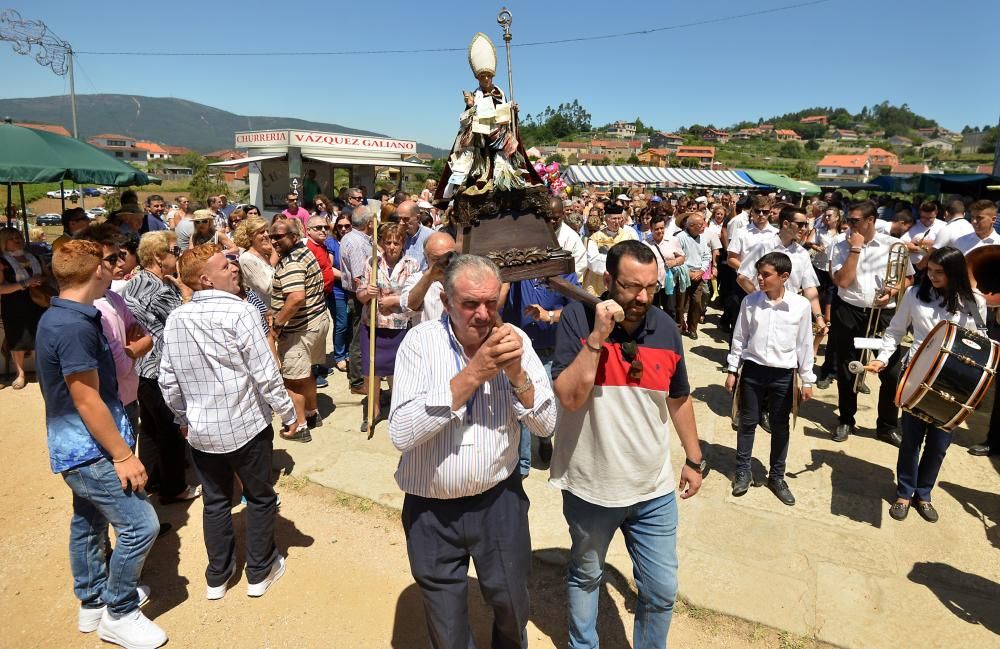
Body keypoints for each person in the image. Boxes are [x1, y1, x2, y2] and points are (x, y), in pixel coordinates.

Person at [388, 254, 557, 649]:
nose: (483, 314)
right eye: (470, 304)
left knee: (513, 606)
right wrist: (474, 373)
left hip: (499, 504)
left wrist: (518, 376)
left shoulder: (517, 340)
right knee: (447, 630)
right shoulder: (419, 344)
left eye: (491, 303)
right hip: (430, 511)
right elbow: (401, 432)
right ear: (446, 302)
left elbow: (546, 426)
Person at [550, 240, 704, 648]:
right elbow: (568, 396)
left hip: (652, 489)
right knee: (586, 576)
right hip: (591, 485)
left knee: (661, 590)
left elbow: (678, 396)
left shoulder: (666, 328)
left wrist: (694, 458)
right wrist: (597, 337)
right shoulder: (576, 319)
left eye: (651, 287)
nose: (642, 298)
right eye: (631, 287)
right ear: (607, 280)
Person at [36, 239, 166, 649]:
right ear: (96, 271)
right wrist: (124, 455)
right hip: (89, 449)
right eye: (109, 261)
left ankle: (92, 599)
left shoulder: (67, 315)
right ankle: (119, 611)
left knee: (88, 519)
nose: (116, 266)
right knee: (141, 524)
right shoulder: (73, 325)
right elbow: (86, 398)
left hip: (82, 445)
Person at [160, 243, 296, 599]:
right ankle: (260, 570)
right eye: (225, 266)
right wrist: (289, 412)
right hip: (246, 426)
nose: (234, 268)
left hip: (202, 431)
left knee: (216, 501)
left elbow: (168, 380)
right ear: (205, 279)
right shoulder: (241, 313)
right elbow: (265, 371)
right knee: (260, 497)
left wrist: (183, 417)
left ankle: (217, 576)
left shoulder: (177, 318)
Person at [864, 247, 987, 521]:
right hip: (916, 375)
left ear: (954, 272)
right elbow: (895, 330)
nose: (931, 276)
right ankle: (904, 492)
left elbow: (980, 341)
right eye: (929, 271)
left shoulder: (973, 301)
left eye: (938, 272)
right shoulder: (913, 294)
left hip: (955, 382)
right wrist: (883, 359)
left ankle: (924, 493)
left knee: (940, 443)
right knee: (911, 439)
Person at [726, 252, 815, 505]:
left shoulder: (800, 306)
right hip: (753, 371)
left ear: (784, 277)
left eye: (766, 274)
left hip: (783, 375)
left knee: (780, 426)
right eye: (759, 273)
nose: (760, 279)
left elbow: (805, 345)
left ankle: (777, 476)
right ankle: (743, 470)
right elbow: (740, 338)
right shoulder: (750, 302)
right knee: (747, 422)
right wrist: (733, 369)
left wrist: (807, 380)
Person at [120, 231, 202, 504]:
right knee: (170, 429)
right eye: (173, 251)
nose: (177, 255)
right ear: (158, 256)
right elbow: (186, 320)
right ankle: (174, 487)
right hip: (159, 368)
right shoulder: (158, 289)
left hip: (141, 368)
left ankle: (154, 479)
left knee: (152, 428)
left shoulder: (136, 282)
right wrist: (186, 293)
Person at [829, 201, 913, 445]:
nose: (849, 224)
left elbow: (908, 278)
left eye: (855, 220)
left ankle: (886, 425)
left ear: (871, 221)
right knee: (848, 367)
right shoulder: (840, 244)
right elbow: (843, 282)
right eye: (848, 219)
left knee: (891, 370)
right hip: (850, 311)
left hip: (884, 315)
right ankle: (846, 419)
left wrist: (893, 290)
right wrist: (855, 249)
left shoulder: (893, 246)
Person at [502, 271, 578, 474]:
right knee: (524, 404)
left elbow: (576, 310)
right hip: (521, 353)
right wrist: (506, 280)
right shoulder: (513, 270)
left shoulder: (563, 271)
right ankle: (522, 466)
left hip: (552, 351)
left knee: (547, 403)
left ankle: (545, 437)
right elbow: (497, 305)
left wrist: (550, 315)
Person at [83, 224, 153, 436]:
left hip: (129, 396)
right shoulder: (93, 308)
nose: (121, 264)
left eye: (120, 257)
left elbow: (145, 336)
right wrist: (133, 350)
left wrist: (131, 349)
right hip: (111, 404)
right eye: (112, 259)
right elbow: (120, 368)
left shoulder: (113, 297)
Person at [269, 219, 331, 440]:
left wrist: (277, 324)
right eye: (271, 236)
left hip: (300, 330)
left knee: (292, 381)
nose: (274, 241)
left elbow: (295, 298)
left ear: (293, 237)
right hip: (316, 322)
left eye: (279, 237)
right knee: (307, 374)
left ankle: (300, 427)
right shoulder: (304, 252)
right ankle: (312, 413)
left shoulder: (292, 262)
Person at [356, 223, 419, 433]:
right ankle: (372, 412)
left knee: (398, 372)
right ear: (381, 243)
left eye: (397, 242)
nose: (392, 246)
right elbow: (360, 294)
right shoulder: (372, 262)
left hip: (398, 326)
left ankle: (397, 411)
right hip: (373, 325)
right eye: (388, 242)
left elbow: (415, 298)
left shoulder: (412, 265)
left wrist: (394, 300)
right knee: (371, 371)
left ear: (403, 244)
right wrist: (368, 293)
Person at [0, 227, 49, 388]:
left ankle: (40, 371)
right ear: (4, 243)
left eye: (18, 236)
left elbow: (47, 276)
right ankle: (20, 373)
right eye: (12, 238)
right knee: (16, 337)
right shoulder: (2, 262)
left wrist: (40, 280)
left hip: (38, 301)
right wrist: (24, 283)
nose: (17, 240)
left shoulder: (34, 257)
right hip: (14, 304)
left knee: (39, 336)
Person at [339, 202, 376, 394]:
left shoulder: (353, 238)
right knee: (358, 340)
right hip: (358, 296)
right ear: (369, 222)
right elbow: (358, 276)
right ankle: (357, 382)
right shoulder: (356, 242)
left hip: (357, 295)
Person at [304, 216, 336, 387]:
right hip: (313, 298)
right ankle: (311, 374)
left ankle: (316, 366)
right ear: (308, 230)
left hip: (323, 295)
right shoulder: (308, 248)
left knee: (321, 333)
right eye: (318, 228)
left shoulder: (321, 246)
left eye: (325, 227)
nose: (323, 230)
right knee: (312, 335)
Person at [399, 232, 457, 324]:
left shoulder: (464, 277)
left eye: (446, 257)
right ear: (426, 257)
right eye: (436, 259)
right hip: (427, 337)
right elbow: (407, 308)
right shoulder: (416, 279)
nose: (442, 263)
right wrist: (429, 276)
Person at [582, 203, 638, 296]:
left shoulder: (629, 237)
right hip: (599, 282)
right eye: (614, 219)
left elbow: (633, 258)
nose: (617, 222)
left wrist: (605, 258)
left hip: (621, 280)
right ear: (606, 219)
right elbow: (593, 261)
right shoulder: (596, 238)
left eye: (619, 218)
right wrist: (617, 263)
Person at [674, 213, 711, 339]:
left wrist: (701, 271)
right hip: (683, 274)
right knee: (680, 303)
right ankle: (678, 327)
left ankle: (692, 328)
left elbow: (707, 256)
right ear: (690, 226)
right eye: (700, 225)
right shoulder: (680, 237)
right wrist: (687, 272)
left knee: (696, 302)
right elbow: (677, 257)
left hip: (698, 274)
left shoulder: (702, 239)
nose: (703, 227)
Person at [644, 214, 685, 320]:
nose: (659, 231)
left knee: (670, 309)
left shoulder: (672, 240)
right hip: (652, 283)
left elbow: (682, 257)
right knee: (652, 310)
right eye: (656, 229)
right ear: (651, 229)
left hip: (668, 282)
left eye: (662, 228)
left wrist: (674, 262)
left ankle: (670, 332)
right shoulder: (645, 243)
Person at [326, 214, 352, 373]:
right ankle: (339, 356)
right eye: (340, 226)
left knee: (350, 323)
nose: (343, 229)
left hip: (352, 290)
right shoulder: (331, 243)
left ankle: (348, 352)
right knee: (341, 324)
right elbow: (329, 267)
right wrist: (348, 276)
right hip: (337, 291)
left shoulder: (355, 240)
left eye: (347, 225)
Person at [234, 216, 278, 305]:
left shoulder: (263, 254)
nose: (266, 235)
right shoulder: (247, 259)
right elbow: (267, 288)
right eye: (261, 232)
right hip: (264, 311)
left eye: (267, 231)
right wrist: (274, 253)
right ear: (250, 236)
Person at [547, 197, 588, 281]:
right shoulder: (538, 232)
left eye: (555, 218)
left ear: (562, 215)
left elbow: (580, 264)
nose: (551, 221)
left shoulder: (571, 237)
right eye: (548, 218)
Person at [397, 200, 434, 270]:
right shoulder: (397, 236)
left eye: (405, 219)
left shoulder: (431, 237)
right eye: (399, 219)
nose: (401, 223)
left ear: (418, 218)